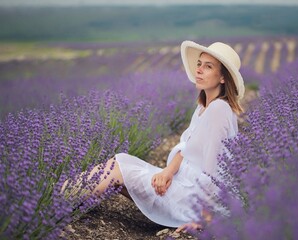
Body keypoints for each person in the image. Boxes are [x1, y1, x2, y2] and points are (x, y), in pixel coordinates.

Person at [63, 40, 245, 233]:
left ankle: (55, 203)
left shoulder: (219, 110)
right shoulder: (203, 106)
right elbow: (186, 147)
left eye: (208, 67)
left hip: (194, 199)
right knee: (121, 163)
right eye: (199, 64)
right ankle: (60, 198)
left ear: (223, 78)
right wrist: (167, 172)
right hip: (185, 183)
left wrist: (205, 220)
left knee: (117, 171)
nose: (199, 70)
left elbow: (214, 170)